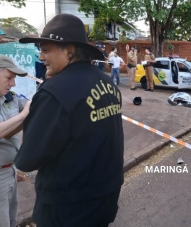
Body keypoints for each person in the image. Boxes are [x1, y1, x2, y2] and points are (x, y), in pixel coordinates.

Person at [15, 14, 124, 227]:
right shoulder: (106, 82)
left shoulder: (54, 92)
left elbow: (27, 159)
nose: (41, 56)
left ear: (69, 51)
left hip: (67, 207)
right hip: (106, 197)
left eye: (46, 50)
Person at [0, 56, 31, 227]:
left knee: (11, 220)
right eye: (9, 78)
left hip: (10, 171)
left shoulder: (9, 98)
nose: (13, 84)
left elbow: (31, 104)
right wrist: (23, 115)